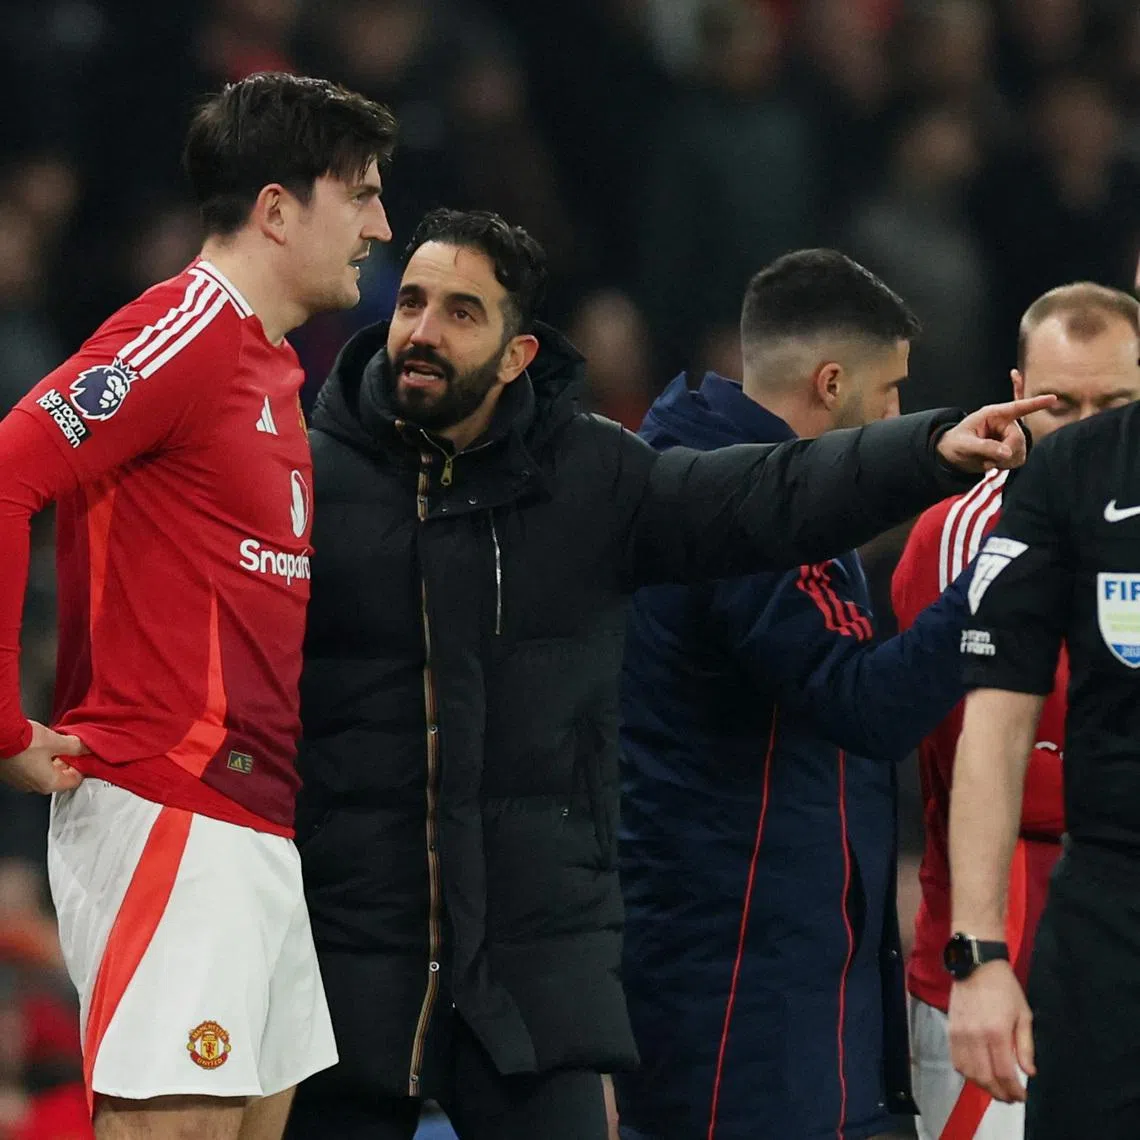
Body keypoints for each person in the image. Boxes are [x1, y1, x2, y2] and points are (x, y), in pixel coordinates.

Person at [287, 207, 1047, 1140]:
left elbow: (779, 490)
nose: (421, 330)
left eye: (460, 311)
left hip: (551, 969)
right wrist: (1018, 561)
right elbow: (866, 697)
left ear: (519, 352)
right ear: (833, 379)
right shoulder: (308, 476)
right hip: (681, 981)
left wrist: (927, 447)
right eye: (411, 301)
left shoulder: (598, 476)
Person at [0, 72, 397, 1140]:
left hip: (255, 827)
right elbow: (5, 472)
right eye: (358, 194)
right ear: (275, 209)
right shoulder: (181, 334)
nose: (380, 225)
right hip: (170, 809)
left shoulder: (269, 371)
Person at [614, 249, 998, 1140]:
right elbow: (867, 706)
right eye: (893, 390)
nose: (899, 415)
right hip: (748, 997)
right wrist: (998, 580)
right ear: (832, 383)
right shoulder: (738, 518)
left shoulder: (702, 475)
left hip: (761, 974)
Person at [893, 282, 1140, 1140]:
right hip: (1014, 929)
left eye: (1113, 404)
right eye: (1059, 404)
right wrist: (980, 955)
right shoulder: (965, 536)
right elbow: (985, 757)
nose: (1083, 429)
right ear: (1015, 393)